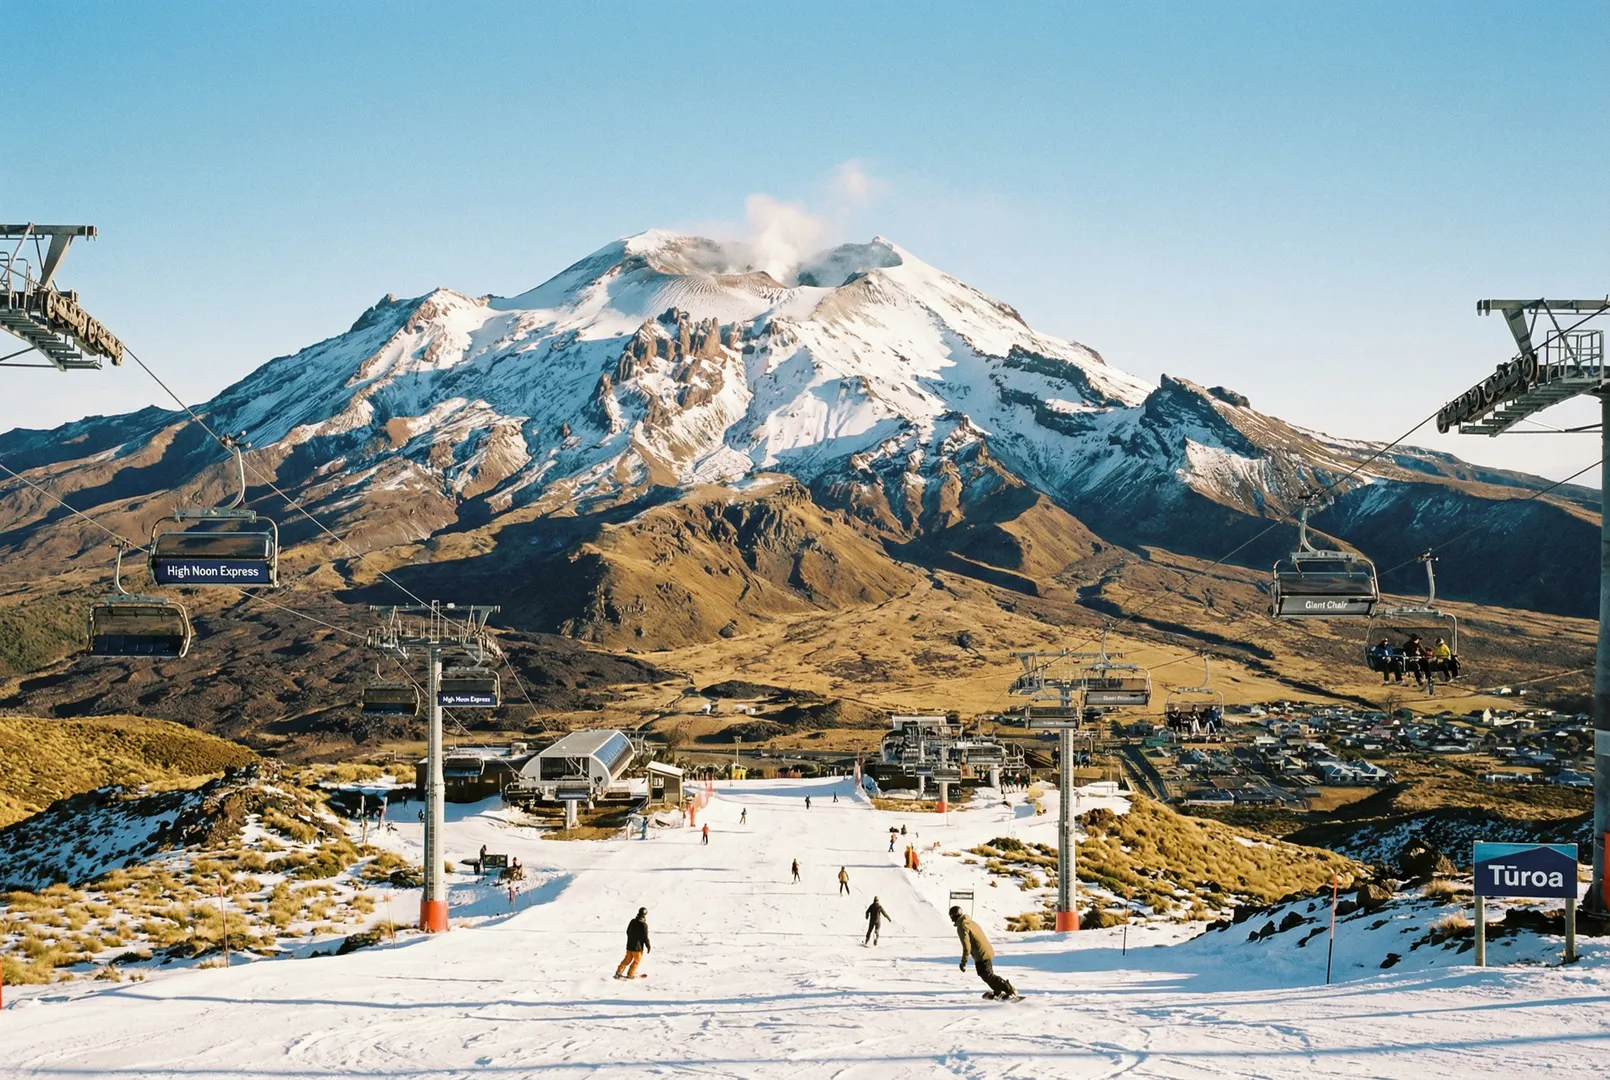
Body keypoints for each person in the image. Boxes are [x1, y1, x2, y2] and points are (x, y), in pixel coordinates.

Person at [951, 905, 1016, 1000]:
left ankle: (1009, 989)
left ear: (953, 916)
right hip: (985, 950)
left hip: (981, 953)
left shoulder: (962, 926)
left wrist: (963, 962)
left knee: (987, 975)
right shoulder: (970, 922)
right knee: (985, 974)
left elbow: (966, 946)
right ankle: (998, 990)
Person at [615, 907, 650, 979]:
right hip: (638, 948)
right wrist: (648, 945)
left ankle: (619, 971)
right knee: (636, 961)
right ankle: (630, 974)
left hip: (629, 946)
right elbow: (645, 937)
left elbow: (627, 931)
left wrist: (631, 940)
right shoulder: (644, 925)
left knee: (627, 959)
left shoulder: (632, 921)